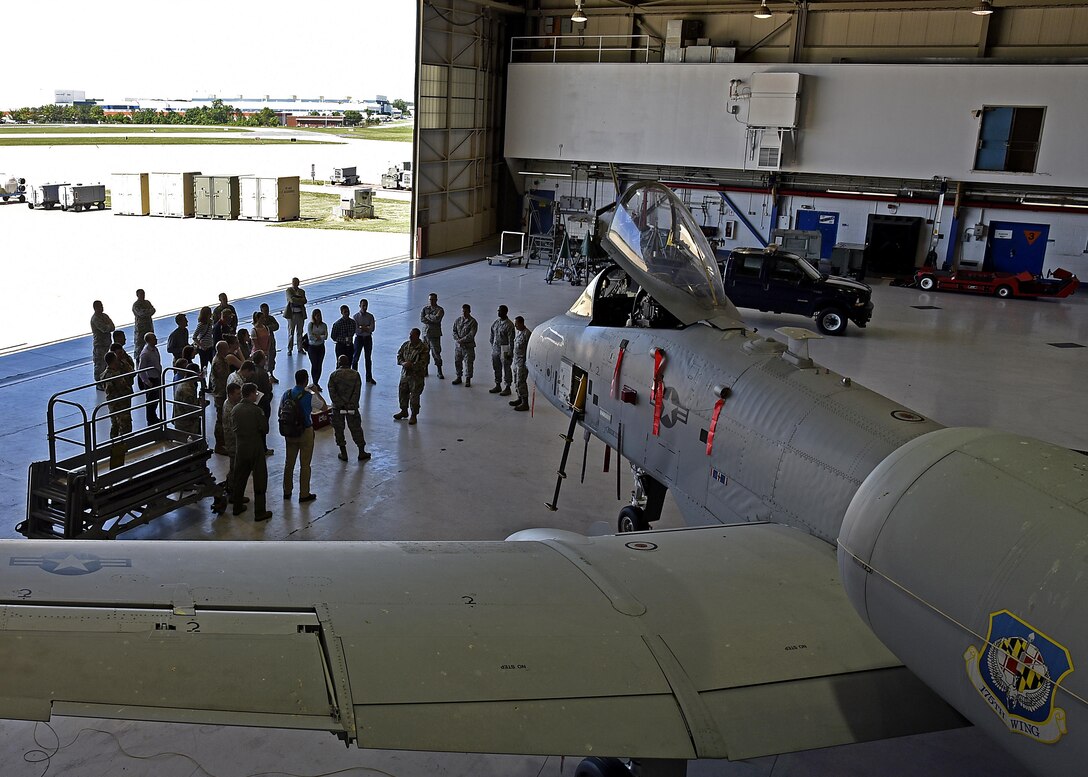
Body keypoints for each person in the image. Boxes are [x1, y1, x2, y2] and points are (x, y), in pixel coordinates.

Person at [232, 382, 272, 522]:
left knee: (240, 477)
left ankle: (236, 507)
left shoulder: (235, 409)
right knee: (260, 478)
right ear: (250, 394)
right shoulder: (256, 410)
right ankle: (260, 512)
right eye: (255, 393)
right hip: (255, 446)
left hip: (241, 447)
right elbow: (265, 429)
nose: (256, 395)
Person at [280, 369, 317, 503]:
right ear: (306, 380)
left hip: (290, 432)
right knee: (305, 464)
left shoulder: (287, 394)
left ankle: (287, 491)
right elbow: (324, 407)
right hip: (305, 431)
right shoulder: (309, 395)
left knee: (289, 463)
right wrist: (315, 391)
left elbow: (280, 411)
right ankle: (304, 493)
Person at [328, 354, 371, 462]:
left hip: (338, 408)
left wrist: (340, 403)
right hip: (351, 407)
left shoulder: (333, 375)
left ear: (338, 363)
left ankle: (343, 453)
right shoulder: (355, 375)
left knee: (339, 429)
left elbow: (332, 392)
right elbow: (357, 392)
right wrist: (350, 403)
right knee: (356, 428)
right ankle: (361, 452)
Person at [101, 350, 132, 468]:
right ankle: (123, 450)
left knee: (115, 426)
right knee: (125, 427)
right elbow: (125, 387)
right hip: (121, 404)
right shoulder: (116, 375)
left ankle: (113, 447)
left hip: (112, 404)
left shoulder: (104, 373)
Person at [210, 340, 242, 454]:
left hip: (223, 392)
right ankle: (219, 445)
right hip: (220, 393)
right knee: (220, 420)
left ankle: (222, 443)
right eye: (226, 348)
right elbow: (223, 378)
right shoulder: (219, 362)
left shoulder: (222, 359)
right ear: (221, 349)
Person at [394, 328, 429, 425]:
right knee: (402, 393)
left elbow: (424, 362)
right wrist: (403, 363)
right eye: (410, 335)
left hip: (416, 377)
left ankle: (414, 415)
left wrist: (412, 366)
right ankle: (404, 410)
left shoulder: (423, 348)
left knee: (414, 397)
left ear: (417, 336)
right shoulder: (406, 345)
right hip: (405, 375)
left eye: (412, 335)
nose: (410, 337)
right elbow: (399, 355)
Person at [171, 358, 202, 438]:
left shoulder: (186, 383)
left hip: (183, 420)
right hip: (186, 425)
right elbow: (191, 410)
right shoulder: (187, 390)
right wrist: (202, 405)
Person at [136, 332, 163, 425]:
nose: (156, 339)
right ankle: (150, 420)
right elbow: (141, 369)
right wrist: (146, 381)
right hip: (151, 379)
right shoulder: (145, 353)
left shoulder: (154, 349)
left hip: (157, 377)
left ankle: (154, 417)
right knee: (151, 401)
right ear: (149, 340)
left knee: (156, 399)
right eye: (154, 338)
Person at [222, 381, 243, 498]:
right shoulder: (231, 410)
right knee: (236, 469)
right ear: (230, 394)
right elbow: (235, 428)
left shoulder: (229, 403)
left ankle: (232, 490)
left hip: (233, 442)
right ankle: (234, 495)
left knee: (234, 468)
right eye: (237, 394)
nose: (239, 395)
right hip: (233, 443)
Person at [489, 304, 514, 396]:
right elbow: (492, 334)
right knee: (496, 367)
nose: (498, 312)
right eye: (498, 311)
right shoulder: (496, 323)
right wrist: (493, 345)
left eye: (500, 311)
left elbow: (511, 340)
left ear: (505, 312)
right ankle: (498, 384)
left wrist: (510, 353)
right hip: (496, 349)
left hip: (505, 349)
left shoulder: (509, 325)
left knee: (506, 368)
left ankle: (507, 387)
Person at [451, 304, 478, 387]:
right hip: (458, 347)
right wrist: (457, 339)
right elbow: (454, 331)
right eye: (463, 311)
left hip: (468, 347)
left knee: (468, 363)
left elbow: (471, 335)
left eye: (466, 311)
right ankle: (458, 376)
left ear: (469, 311)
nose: (464, 313)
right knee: (457, 361)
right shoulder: (458, 320)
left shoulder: (473, 322)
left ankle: (468, 379)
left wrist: (461, 340)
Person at [420, 292, 445, 379]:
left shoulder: (440, 310)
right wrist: (430, 318)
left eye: (433, 300)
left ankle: (439, 370)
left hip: (434, 335)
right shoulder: (425, 309)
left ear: (436, 300)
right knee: (424, 353)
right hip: (425, 335)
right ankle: (425, 369)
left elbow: (437, 319)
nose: (431, 301)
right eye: (430, 299)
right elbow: (422, 319)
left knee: (436, 353)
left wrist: (428, 316)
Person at [351, 298, 376, 384]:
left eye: (366, 306)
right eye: (363, 306)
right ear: (360, 306)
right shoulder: (355, 317)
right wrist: (366, 328)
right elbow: (357, 330)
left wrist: (362, 327)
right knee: (355, 358)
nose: (364, 307)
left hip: (368, 338)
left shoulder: (370, 316)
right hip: (359, 338)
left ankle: (369, 377)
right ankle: (354, 377)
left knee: (368, 358)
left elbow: (372, 329)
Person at [90, 300, 115, 383]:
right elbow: (104, 329)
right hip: (99, 345)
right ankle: (99, 382)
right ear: (95, 308)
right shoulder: (95, 318)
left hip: (107, 343)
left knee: (107, 363)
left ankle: (106, 380)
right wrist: (108, 326)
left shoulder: (104, 316)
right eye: (100, 306)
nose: (102, 307)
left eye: (102, 306)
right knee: (99, 364)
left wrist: (108, 327)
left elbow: (112, 327)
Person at [510, 316, 532, 412]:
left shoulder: (527, 334)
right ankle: (519, 398)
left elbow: (529, 350)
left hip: (522, 362)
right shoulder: (519, 332)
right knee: (516, 381)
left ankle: (525, 403)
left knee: (521, 382)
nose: (515, 326)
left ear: (521, 323)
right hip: (516, 361)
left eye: (516, 324)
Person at [131, 289, 156, 363]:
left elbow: (153, 310)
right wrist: (148, 311)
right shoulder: (136, 305)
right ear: (137, 295)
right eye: (141, 294)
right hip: (140, 331)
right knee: (140, 349)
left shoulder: (147, 302)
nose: (142, 295)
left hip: (149, 328)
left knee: (151, 346)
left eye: (143, 293)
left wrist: (147, 311)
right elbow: (141, 313)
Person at [306, 308, 328, 388]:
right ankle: (314, 382)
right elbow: (310, 337)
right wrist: (320, 336)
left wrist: (317, 336)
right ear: (314, 316)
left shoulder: (324, 325)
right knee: (314, 364)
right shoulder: (310, 325)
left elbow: (325, 336)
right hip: (312, 348)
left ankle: (316, 381)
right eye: (316, 316)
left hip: (321, 347)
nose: (318, 317)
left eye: (319, 315)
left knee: (319, 365)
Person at [258, 303, 280, 383]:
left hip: (271, 341)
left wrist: (267, 328)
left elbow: (277, 326)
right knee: (263, 360)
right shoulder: (259, 320)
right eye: (264, 311)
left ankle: (271, 373)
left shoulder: (270, 318)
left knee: (272, 358)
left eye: (267, 310)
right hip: (263, 343)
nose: (266, 312)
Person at [284, 277, 307, 354]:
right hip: (292, 315)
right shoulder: (289, 290)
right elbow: (291, 300)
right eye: (294, 282)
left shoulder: (302, 291)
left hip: (300, 314)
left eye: (297, 282)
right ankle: (290, 349)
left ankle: (300, 348)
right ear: (292, 283)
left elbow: (304, 300)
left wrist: (296, 299)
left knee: (300, 332)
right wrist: (299, 300)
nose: (295, 283)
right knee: (291, 332)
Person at [192, 306, 215, 374]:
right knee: (204, 367)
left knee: (213, 364)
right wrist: (201, 346)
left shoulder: (211, 322)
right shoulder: (201, 325)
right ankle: (203, 382)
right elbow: (194, 337)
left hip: (210, 346)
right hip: (203, 349)